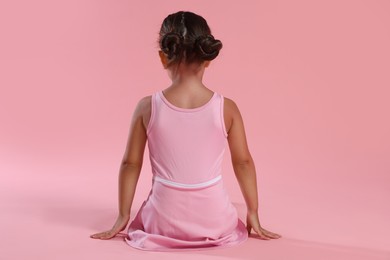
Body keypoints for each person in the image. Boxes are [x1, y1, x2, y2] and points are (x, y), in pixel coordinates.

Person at [90, 10, 281, 251]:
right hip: (215, 223)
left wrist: (122, 215)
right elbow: (243, 162)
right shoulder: (227, 108)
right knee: (224, 205)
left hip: (161, 223)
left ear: (163, 57)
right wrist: (253, 211)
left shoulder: (147, 107)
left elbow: (130, 164)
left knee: (154, 205)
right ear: (208, 57)